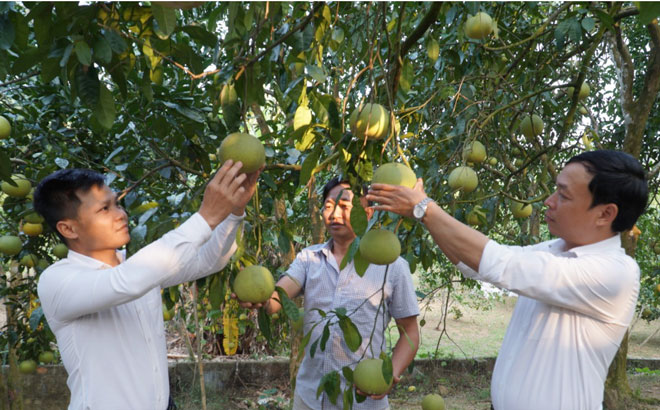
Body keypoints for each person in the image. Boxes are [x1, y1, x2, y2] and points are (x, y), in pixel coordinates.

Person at [367, 150, 648, 410]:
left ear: (605, 213)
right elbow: (477, 265)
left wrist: (425, 208)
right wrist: (424, 215)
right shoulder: (554, 250)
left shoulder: (615, 273)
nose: (549, 201)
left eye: (563, 195)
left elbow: (501, 263)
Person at [34, 161, 259, 410]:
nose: (120, 214)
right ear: (68, 228)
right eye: (104, 209)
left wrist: (234, 211)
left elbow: (208, 260)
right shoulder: (58, 281)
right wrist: (205, 218)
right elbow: (126, 282)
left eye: (117, 204)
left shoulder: (137, 271)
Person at [237, 177, 420, 410]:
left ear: (368, 213)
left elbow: (410, 331)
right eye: (329, 206)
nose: (334, 214)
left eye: (345, 206)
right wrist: (260, 298)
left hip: (363, 398)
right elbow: (279, 298)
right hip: (310, 395)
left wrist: (391, 374)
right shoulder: (309, 259)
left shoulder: (392, 265)